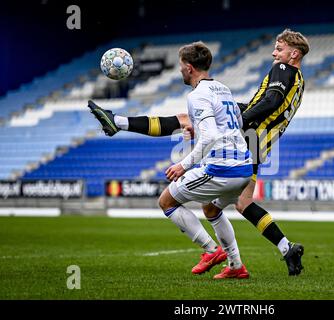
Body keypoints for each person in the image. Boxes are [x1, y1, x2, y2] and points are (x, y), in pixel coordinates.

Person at [89, 29, 309, 275]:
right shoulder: (299, 81)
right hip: (258, 146)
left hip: (247, 138)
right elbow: (271, 105)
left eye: (279, 49)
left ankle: (118, 123)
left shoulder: (282, 69)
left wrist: (238, 120)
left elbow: (271, 101)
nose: (274, 53)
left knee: (186, 122)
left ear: (294, 54)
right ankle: (281, 249)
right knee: (231, 205)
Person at [90, 42, 253, 279]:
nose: (179, 71)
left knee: (167, 201)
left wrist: (182, 165)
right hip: (245, 168)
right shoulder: (223, 89)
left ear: (189, 68)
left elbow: (210, 135)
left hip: (223, 169)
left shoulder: (197, 95)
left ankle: (211, 251)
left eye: (180, 66)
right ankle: (236, 266)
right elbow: (235, 125)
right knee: (210, 208)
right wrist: (200, 134)